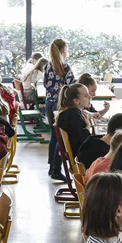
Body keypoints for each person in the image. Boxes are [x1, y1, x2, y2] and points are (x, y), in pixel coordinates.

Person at [44, 39, 75, 181]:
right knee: (61, 139)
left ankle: (52, 167)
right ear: (63, 50)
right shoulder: (65, 67)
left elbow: (45, 84)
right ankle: (56, 169)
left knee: (54, 136)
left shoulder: (47, 66)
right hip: (61, 106)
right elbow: (73, 86)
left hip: (49, 105)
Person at [55, 83, 92, 159]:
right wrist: (88, 127)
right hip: (80, 160)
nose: (90, 97)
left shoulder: (68, 113)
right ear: (76, 100)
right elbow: (80, 143)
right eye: (86, 95)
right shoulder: (74, 115)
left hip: (77, 156)